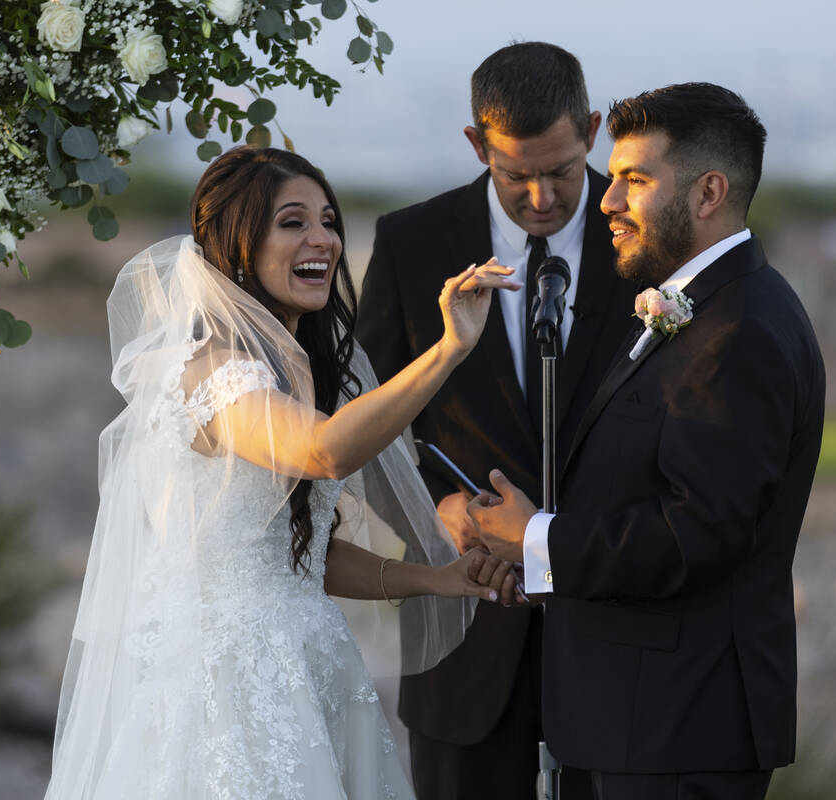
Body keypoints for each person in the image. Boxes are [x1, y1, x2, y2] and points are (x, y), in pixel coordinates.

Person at [44, 146, 526, 800]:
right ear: (236, 247)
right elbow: (324, 453)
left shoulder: (290, 375)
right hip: (225, 689)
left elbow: (295, 560)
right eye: (293, 222)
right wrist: (449, 349)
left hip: (309, 666)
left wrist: (438, 579)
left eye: (329, 220)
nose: (323, 239)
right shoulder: (211, 370)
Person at [469, 83, 826, 800]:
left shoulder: (742, 331)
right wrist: (534, 558)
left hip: (678, 728)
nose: (605, 200)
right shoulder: (703, 310)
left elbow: (698, 531)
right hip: (636, 722)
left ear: (707, 193)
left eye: (634, 180)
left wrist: (539, 538)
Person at [358, 42, 637, 799]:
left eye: (563, 170)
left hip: (624, 647)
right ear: (476, 146)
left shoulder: (655, 243)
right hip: (466, 638)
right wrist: (433, 508)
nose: (542, 197)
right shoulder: (411, 244)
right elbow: (365, 424)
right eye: (516, 175)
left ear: (593, 128)